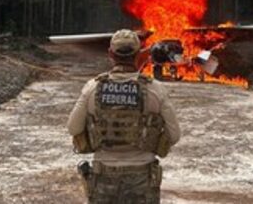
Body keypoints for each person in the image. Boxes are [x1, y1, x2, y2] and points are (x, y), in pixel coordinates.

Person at [68, 29, 181, 203]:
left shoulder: (92, 88)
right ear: (138, 54)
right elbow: (174, 135)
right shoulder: (155, 89)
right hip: (142, 177)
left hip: (103, 176)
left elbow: (73, 128)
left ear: (111, 54)